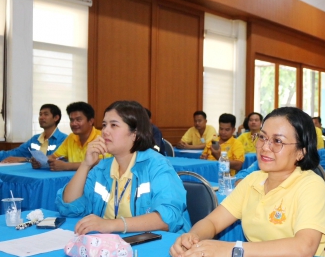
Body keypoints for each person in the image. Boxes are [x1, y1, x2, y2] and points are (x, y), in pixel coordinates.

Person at [169, 107, 325, 257]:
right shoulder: (253, 180)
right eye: (262, 137)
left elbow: (304, 248)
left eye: (278, 141)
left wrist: (232, 250)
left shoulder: (311, 185)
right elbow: (213, 222)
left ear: (301, 152)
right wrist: (192, 237)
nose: (265, 147)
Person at [55, 100, 191, 235]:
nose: (105, 131)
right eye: (104, 125)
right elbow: (69, 206)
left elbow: (169, 217)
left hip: (157, 245)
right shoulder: (102, 168)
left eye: (114, 125)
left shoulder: (156, 165)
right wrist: (86, 164)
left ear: (134, 134)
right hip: (112, 246)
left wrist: (111, 225)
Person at [40, 102, 106, 171]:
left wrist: (66, 166)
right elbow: (54, 157)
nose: (74, 123)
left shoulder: (102, 138)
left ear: (90, 121)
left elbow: (101, 162)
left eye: (78, 120)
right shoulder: (71, 137)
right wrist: (40, 161)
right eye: (71, 120)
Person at [0, 104, 67, 163]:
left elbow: (54, 160)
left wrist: (25, 159)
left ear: (56, 118)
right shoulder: (35, 139)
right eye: (40, 114)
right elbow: (16, 152)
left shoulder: (64, 139)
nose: (41, 117)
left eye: (46, 114)